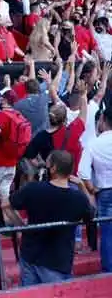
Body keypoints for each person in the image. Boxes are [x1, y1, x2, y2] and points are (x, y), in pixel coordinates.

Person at [4, 150, 94, 286]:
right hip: (58, 259)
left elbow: (5, 205)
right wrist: (82, 186)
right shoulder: (79, 198)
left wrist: (22, 227)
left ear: (53, 168)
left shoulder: (33, 189)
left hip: (31, 254)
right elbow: (92, 214)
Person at [78, 106, 112, 272]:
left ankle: (109, 271)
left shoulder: (93, 144)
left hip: (105, 191)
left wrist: (92, 189)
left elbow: (83, 172)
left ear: (103, 121)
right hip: (104, 190)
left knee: (107, 233)